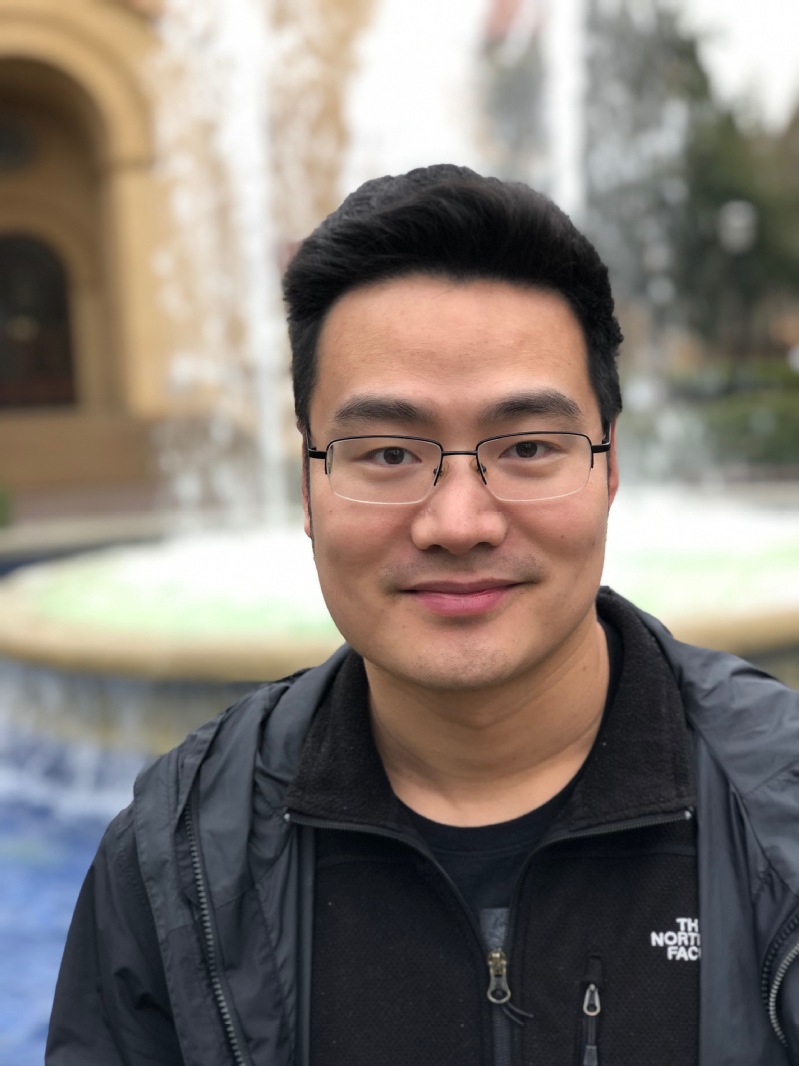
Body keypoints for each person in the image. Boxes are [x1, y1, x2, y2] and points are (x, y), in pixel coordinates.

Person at [47, 165, 799, 1066]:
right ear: (308, 490)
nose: (458, 523)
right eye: (388, 453)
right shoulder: (178, 862)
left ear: (609, 470)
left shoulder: (782, 816)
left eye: (528, 446)